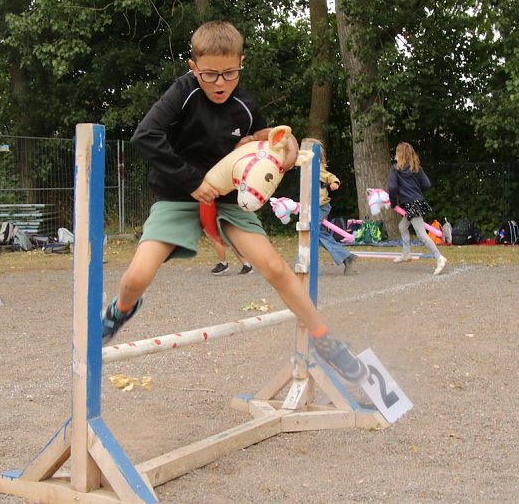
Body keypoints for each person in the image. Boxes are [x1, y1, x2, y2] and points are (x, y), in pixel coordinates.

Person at [100, 20, 367, 383]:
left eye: (229, 73)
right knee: (137, 276)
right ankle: (120, 310)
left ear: (241, 63)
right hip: (179, 195)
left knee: (274, 266)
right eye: (209, 74)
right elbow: (145, 135)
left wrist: (279, 143)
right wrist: (192, 181)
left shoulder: (245, 106)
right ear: (193, 67)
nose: (220, 83)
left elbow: (262, 146)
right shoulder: (183, 93)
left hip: (229, 200)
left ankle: (325, 339)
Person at [387, 142, 448, 275]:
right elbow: (427, 184)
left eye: (396, 152)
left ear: (400, 155)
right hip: (417, 202)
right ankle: (406, 253)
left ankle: (439, 258)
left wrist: (393, 203)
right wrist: (415, 192)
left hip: (411, 204)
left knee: (421, 234)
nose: (395, 155)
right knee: (402, 226)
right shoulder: (417, 168)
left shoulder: (395, 169)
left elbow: (392, 187)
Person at [300, 138, 356, 276]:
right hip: (310, 206)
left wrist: (334, 184)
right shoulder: (305, 169)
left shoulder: (317, 169)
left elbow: (331, 177)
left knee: (311, 231)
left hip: (320, 206)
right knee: (317, 234)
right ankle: (346, 257)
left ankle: (302, 263)